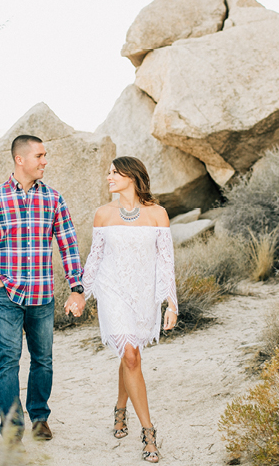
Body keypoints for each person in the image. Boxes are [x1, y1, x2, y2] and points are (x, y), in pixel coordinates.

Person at [0, 135, 86, 443]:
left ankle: (40, 417)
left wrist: (76, 286)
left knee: (43, 359)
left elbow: (68, 244)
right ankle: (12, 425)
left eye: (45, 155)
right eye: (40, 156)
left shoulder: (54, 199)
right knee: (8, 359)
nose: (45, 161)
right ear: (21, 160)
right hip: (5, 294)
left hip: (42, 295)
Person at [64, 156, 177, 463]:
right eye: (109, 172)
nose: (109, 176)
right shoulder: (103, 213)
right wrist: (80, 294)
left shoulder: (158, 214)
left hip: (143, 294)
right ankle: (149, 432)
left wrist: (172, 303)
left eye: (114, 172)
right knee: (130, 354)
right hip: (112, 289)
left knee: (130, 354)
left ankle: (119, 408)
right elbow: (95, 258)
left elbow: (166, 261)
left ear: (132, 176)